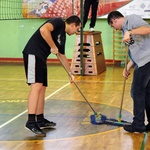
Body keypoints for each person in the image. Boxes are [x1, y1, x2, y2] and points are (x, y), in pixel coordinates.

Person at [22, 15, 81, 136]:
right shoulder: (58, 22)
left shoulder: (62, 37)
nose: (76, 32)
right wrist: (53, 46)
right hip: (33, 53)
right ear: (73, 25)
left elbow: (62, 56)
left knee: (42, 88)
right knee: (36, 86)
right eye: (77, 29)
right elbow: (44, 30)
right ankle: (31, 122)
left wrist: (70, 73)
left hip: (41, 58)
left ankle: (40, 119)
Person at [107, 11, 150, 133]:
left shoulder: (131, 19)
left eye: (112, 26)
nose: (114, 29)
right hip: (143, 61)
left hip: (146, 61)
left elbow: (147, 29)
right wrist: (128, 66)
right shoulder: (124, 31)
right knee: (146, 93)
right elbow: (137, 50)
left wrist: (130, 32)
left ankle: (138, 125)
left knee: (137, 92)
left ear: (114, 21)